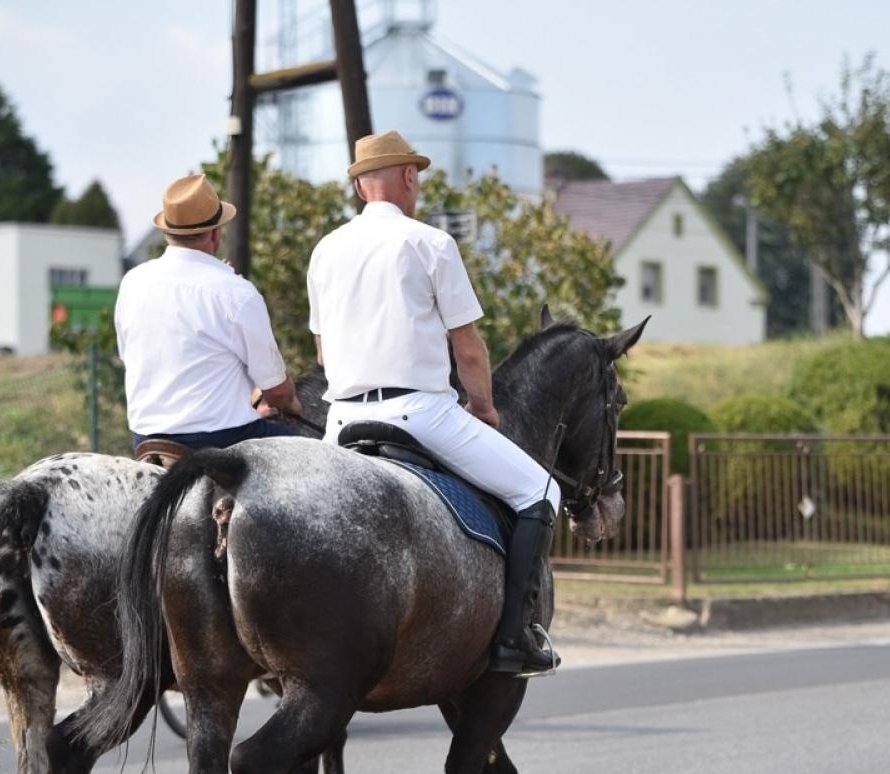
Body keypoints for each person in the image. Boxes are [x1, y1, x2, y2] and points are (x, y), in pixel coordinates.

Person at [305, 130, 563, 677]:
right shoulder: (431, 243)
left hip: (341, 420)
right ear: (408, 177)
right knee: (541, 490)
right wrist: (484, 408)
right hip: (419, 415)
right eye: (415, 177)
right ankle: (515, 636)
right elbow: (467, 348)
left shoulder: (325, 250)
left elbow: (323, 353)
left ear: (359, 187)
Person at [115, 173, 304, 452]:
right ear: (216, 233)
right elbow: (276, 392)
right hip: (222, 440)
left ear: (167, 232)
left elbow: (129, 355)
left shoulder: (132, 282)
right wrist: (292, 404)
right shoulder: (236, 292)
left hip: (146, 439)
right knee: (317, 453)